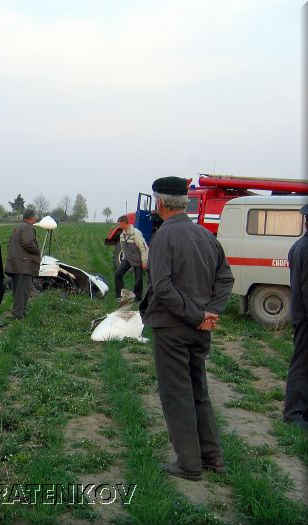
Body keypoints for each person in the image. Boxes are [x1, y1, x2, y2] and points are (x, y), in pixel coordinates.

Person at [140, 177, 234, 481]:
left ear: (161, 204)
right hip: (200, 329)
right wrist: (210, 312)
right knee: (199, 391)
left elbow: (162, 288)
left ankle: (189, 465)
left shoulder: (163, 238)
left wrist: (196, 315)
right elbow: (225, 279)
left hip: (172, 329)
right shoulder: (206, 236)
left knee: (176, 395)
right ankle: (212, 457)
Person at [284, 204, 308, 428]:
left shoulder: (299, 245)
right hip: (305, 316)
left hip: (301, 314)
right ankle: (294, 413)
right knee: (301, 363)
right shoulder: (305, 248)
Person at [5, 209, 41, 320]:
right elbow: (28, 243)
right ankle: (17, 316)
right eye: (35, 216)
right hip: (24, 266)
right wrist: (37, 251)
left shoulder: (18, 227)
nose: (37, 218)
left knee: (17, 291)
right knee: (23, 292)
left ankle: (18, 312)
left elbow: (9, 245)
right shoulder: (27, 227)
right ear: (31, 217)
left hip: (16, 265)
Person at [114, 215, 149, 302]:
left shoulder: (136, 233)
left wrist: (144, 262)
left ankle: (138, 298)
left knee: (138, 280)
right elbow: (123, 249)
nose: (118, 225)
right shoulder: (122, 235)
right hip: (128, 259)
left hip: (138, 260)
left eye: (119, 224)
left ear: (124, 223)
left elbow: (144, 248)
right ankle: (120, 296)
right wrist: (124, 260)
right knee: (117, 274)